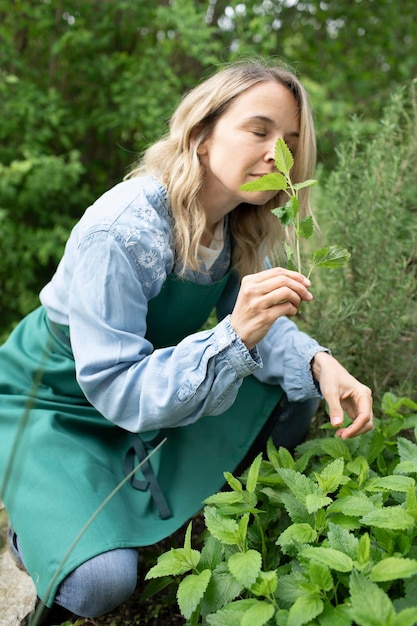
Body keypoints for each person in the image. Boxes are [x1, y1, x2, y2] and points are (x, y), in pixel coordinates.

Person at [0, 60, 373, 625]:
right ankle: (36, 538)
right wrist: (231, 337)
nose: (278, 153)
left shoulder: (238, 226)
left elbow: (259, 331)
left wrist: (323, 364)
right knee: (100, 583)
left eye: (290, 142)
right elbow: (113, 383)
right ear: (201, 134)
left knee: (294, 389)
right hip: (54, 400)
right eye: (259, 130)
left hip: (140, 385)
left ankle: (188, 520)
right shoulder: (123, 228)